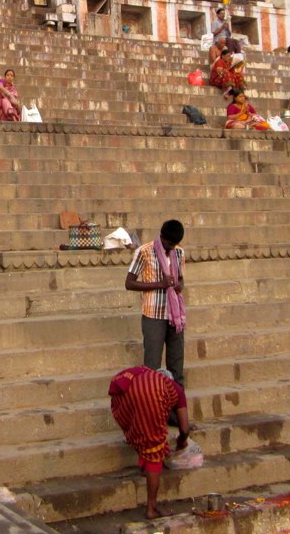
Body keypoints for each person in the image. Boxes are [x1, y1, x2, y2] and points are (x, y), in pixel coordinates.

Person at [108, 366, 191, 520]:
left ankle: (145, 467)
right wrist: (181, 443)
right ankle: (151, 508)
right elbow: (185, 429)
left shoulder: (143, 373)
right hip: (150, 393)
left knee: (142, 427)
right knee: (154, 447)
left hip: (123, 396)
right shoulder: (174, 389)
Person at [125, 220, 186, 387]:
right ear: (161, 237)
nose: (171, 248)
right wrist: (160, 284)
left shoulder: (179, 253)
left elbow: (180, 278)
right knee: (152, 368)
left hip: (175, 317)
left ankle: (175, 411)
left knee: (177, 368)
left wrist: (180, 285)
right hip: (153, 316)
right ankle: (152, 409)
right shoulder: (144, 251)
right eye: (169, 244)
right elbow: (129, 283)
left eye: (175, 244)